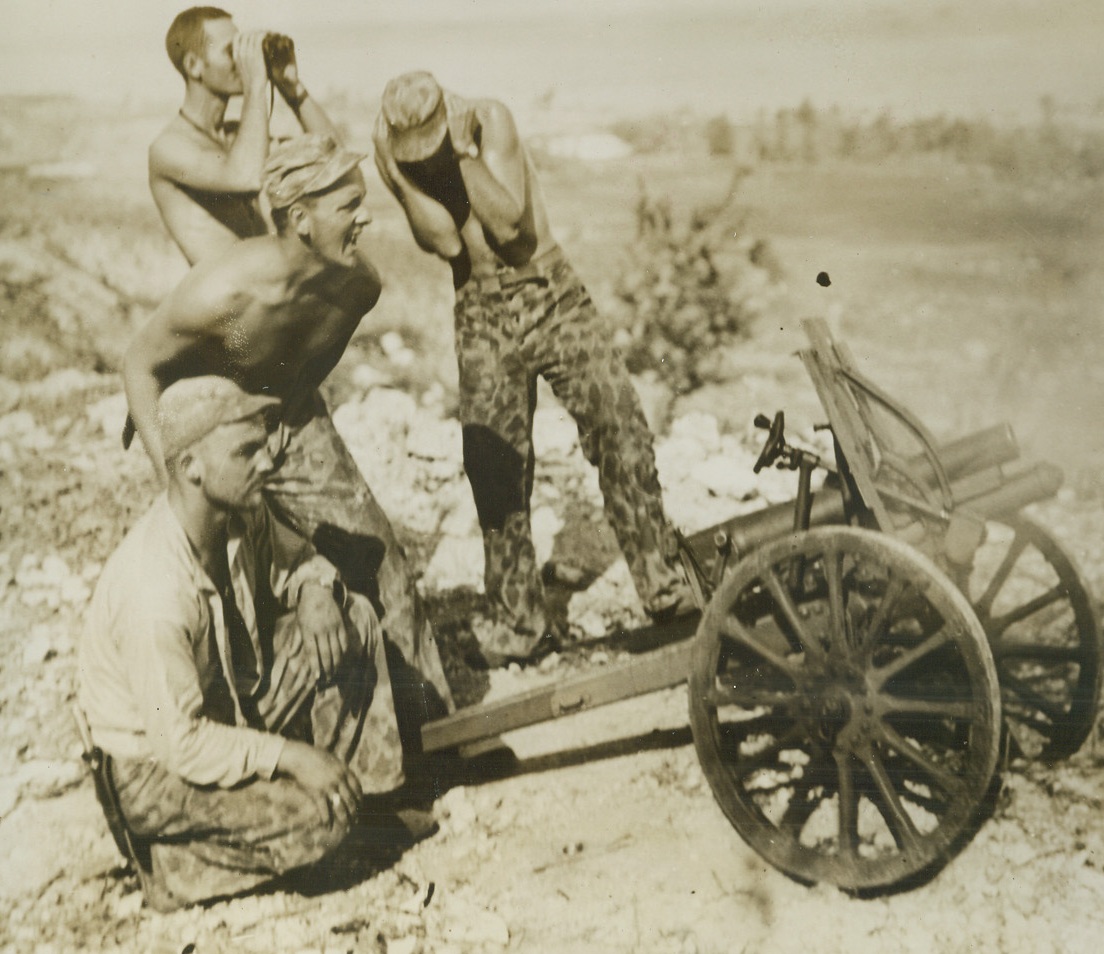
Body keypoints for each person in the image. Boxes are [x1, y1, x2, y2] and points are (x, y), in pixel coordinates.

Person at [124, 133, 455, 723]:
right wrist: (171, 472)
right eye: (348, 206)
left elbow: (309, 369)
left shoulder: (358, 286)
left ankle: (432, 728)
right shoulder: (224, 289)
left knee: (377, 559)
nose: (365, 218)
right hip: (211, 428)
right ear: (300, 219)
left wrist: (285, 421)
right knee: (223, 588)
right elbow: (140, 364)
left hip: (291, 414)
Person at [372, 71, 694, 667]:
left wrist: (463, 154)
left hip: (548, 293)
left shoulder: (488, 120)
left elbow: (509, 225)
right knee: (495, 470)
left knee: (618, 429)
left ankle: (664, 585)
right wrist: (396, 176)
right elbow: (446, 243)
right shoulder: (400, 152)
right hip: (478, 310)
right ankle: (519, 621)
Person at [78, 376, 410, 911]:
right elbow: (180, 743)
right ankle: (176, 871)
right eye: (246, 451)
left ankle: (368, 801)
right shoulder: (154, 592)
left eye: (263, 444)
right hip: (153, 771)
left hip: (225, 701)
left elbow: (298, 562)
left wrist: (314, 591)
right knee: (318, 820)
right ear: (191, 468)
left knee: (356, 620)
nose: (268, 461)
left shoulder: (241, 511)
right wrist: (291, 756)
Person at [149, 6, 340, 265]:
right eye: (232, 51)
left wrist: (292, 87)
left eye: (244, 50)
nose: (243, 62)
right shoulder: (169, 147)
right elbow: (245, 177)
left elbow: (335, 158)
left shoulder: (239, 137)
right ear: (194, 66)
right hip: (225, 302)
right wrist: (256, 84)